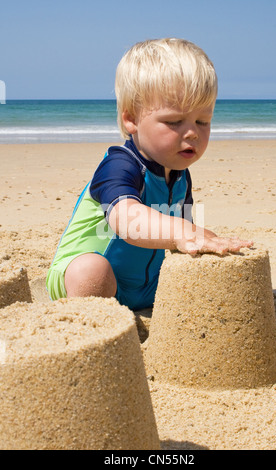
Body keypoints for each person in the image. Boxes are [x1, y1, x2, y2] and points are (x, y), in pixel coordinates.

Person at [46, 38, 253, 311]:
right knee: (91, 269)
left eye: (202, 121)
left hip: (145, 287)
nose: (192, 132)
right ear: (130, 119)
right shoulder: (120, 164)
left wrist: (208, 241)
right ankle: (92, 328)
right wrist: (185, 231)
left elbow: (183, 236)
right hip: (83, 283)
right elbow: (128, 221)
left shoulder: (180, 176)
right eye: (174, 121)